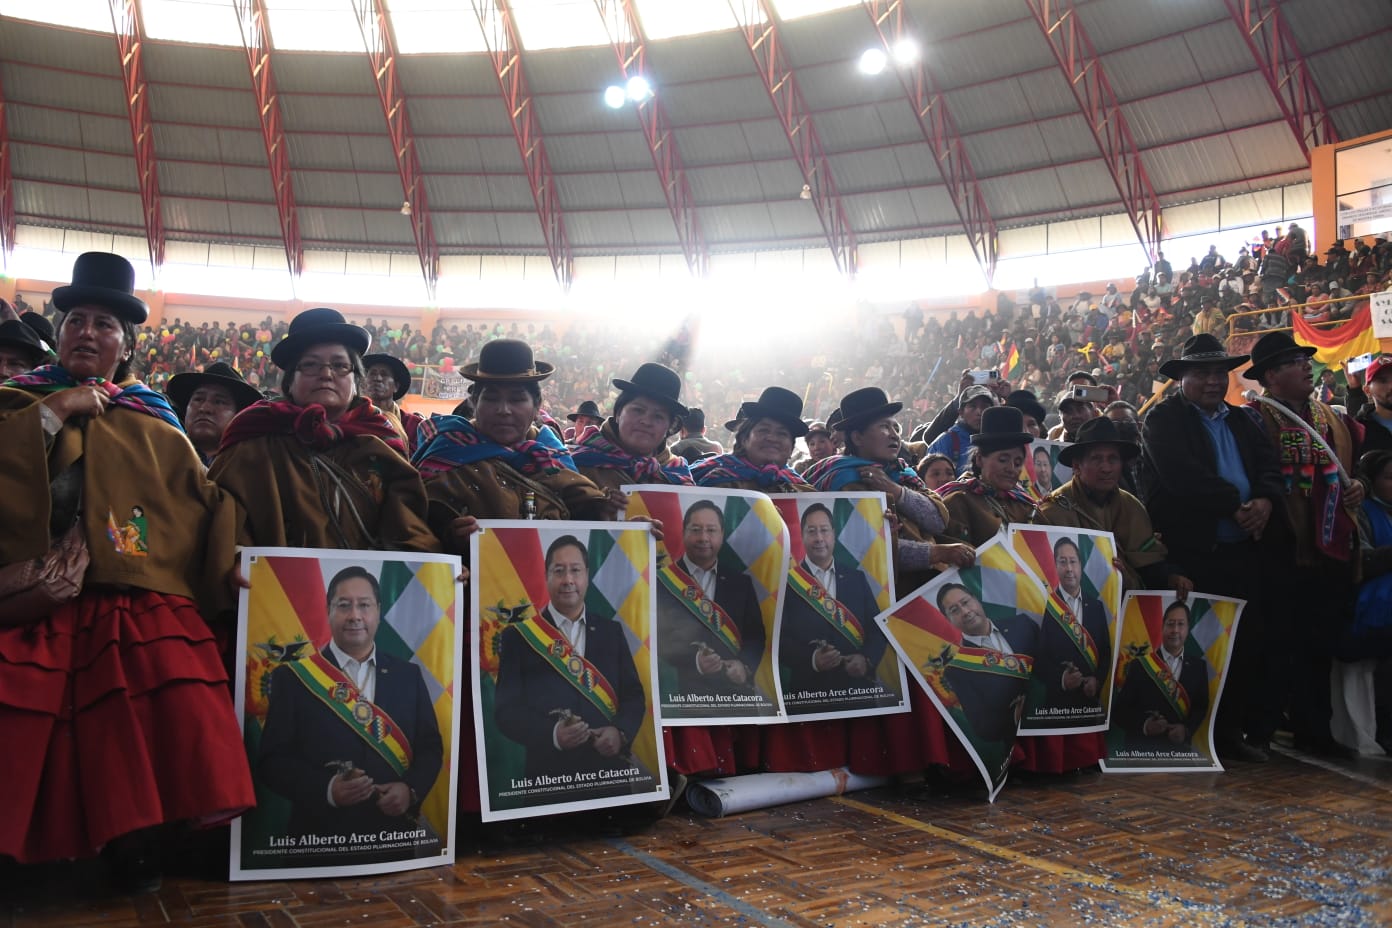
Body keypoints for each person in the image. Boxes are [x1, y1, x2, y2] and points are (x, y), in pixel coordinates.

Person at [0, 252, 252, 890]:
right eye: (76, 321)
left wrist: (235, 561)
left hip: (136, 591)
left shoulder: (156, 420)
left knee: (157, 706)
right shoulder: (16, 403)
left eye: (105, 324)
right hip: (31, 588)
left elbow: (202, 504)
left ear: (128, 345)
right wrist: (55, 413)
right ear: (59, 334)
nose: (87, 332)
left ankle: (135, 846)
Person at [1141, 333, 1284, 763]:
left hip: (1245, 550)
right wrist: (1234, 505)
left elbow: (1269, 466)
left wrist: (1265, 500)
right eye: (1202, 373)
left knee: (1246, 644)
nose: (1213, 381)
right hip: (1194, 553)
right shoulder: (1163, 419)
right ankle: (1192, 734)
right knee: (1195, 648)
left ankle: (1231, 734)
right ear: (1182, 378)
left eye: (1219, 373)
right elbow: (1182, 476)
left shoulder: (1243, 419)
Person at [210, 308, 439, 552]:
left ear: (355, 381)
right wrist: (237, 560)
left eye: (340, 365)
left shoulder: (381, 441)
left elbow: (411, 530)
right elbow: (224, 522)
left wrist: (437, 568)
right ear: (290, 381)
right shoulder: (252, 440)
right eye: (310, 365)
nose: (326, 374)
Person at [258, 566, 444, 854]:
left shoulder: (408, 675)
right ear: (328, 611)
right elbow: (272, 761)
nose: (355, 615)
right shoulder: (293, 678)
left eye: (364, 605)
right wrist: (327, 789)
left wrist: (410, 790)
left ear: (378, 611)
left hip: (392, 838)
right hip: (319, 841)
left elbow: (430, 747)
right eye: (344, 605)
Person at [1243, 332, 1363, 757]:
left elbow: (1353, 470)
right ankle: (1262, 729)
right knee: (1276, 641)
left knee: (1319, 643)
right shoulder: (1252, 419)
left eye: (1304, 360)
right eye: (1295, 362)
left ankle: (1316, 730)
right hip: (1280, 547)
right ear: (1270, 376)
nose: (1306, 367)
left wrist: (1358, 488)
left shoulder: (1329, 416)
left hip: (1329, 546)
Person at [412, 339, 616, 555]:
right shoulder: (446, 454)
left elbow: (586, 527)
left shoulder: (551, 455)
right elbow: (413, 529)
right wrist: (449, 538)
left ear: (537, 406)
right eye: (491, 398)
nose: (504, 410)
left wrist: (607, 512)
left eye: (517, 399)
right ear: (474, 402)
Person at [493, 536, 653, 787]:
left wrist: (620, 732)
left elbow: (633, 695)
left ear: (587, 575)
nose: (568, 579)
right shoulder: (518, 637)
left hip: (609, 776)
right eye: (559, 571)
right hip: (549, 779)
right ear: (546, 576)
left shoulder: (611, 632)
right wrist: (553, 735)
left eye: (575, 570)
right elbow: (506, 712)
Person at [806, 387, 969, 592]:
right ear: (857, 438)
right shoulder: (844, 482)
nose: (894, 435)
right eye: (884, 427)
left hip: (928, 586)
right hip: (883, 593)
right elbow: (863, 547)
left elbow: (938, 521)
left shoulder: (903, 472)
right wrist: (936, 553)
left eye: (895, 428)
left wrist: (894, 490)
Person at [1034, 417, 1191, 596]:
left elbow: (1150, 565)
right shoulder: (1052, 511)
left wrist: (1171, 577)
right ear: (1077, 466)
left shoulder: (1132, 507)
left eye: (1113, 459)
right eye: (1096, 459)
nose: (1106, 468)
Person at [656, 500, 766, 700]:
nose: (703, 537)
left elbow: (755, 635)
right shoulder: (660, 582)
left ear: (722, 535)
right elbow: (655, 640)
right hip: (682, 696)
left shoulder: (741, 583)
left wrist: (744, 666)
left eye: (711, 530)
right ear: (683, 532)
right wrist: (695, 661)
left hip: (734, 695)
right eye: (696, 530)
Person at [779, 503, 886, 699]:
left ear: (833, 534)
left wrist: (866, 659)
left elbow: (877, 629)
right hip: (808, 694)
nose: (819, 538)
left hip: (856, 692)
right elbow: (779, 639)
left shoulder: (856, 578)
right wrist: (812, 659)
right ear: (802, 536)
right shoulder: (787, 583)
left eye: (824, 530)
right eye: (812, 531)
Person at [935, 582, 1037, 748]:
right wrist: (1014, 716)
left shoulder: (1022, 623)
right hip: (1021, 745)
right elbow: (983, 728)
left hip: (1055, 722)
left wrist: (1064, 679)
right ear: (948, 620)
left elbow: (1050, 661)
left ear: (976, 599)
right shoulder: (957, 670)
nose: (965, 612)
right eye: (954, 610)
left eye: (966, 602)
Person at [571, 361, 695, 494]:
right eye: (638, 410)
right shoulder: (577, 465)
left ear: (669, 427)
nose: (646, 421)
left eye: (658, 416)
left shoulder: (678, 474)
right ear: (618, 413)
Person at [1113, 601, 1208, 757]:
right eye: (1170, 624)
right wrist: (1145, 725)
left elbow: (1200, 707)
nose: (1175, 630)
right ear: (1162, 627)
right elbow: (1120, 712)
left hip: (1179, 753)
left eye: (1180, 624)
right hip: (1142, 752)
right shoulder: (1140, 665)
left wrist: (1186, 730)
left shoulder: (1199, 667)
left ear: (1188, 629)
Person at [939, 406, 1037, 545]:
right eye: (1003, 460)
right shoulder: (959, 502)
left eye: (1018, 462)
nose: (1011, 469)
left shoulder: (1025, 504)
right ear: (979, 459)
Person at [1034, 537, 1111, 715]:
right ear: (1055, 566)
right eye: (1063, 562)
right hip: (1056, 707)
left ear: (1080, 566)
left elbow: (1105, 652)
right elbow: (1038, 657)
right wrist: (1061, 679)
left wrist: (1097, 680)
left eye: (1073, 561)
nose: (1069, 568)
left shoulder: (1096, 607)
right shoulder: (1046, 606)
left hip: (1089, 705)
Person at [690, 386, 812, 491]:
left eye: (782, 434)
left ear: (791, 448)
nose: (772, 438)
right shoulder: (706, 480)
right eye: (764, 430)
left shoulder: (801, 489)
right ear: (744, 438)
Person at [165, 360, 262, 464]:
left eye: (219, 402)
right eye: (198, 399)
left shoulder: (252, 465)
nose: (204, 408)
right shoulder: (161, 455)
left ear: (238, 415)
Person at [362, 353, 425, 455]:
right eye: (372, 374)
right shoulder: (354, 419)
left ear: (396, 386)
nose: (377, 378)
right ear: (364, 384)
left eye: (384, 374)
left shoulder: (415, 425)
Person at [924, 384, 994, 472]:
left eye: (985, 407)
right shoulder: (945, 442)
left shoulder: (998, 440)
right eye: (972, 406)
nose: (979, 412)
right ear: (961, 412)